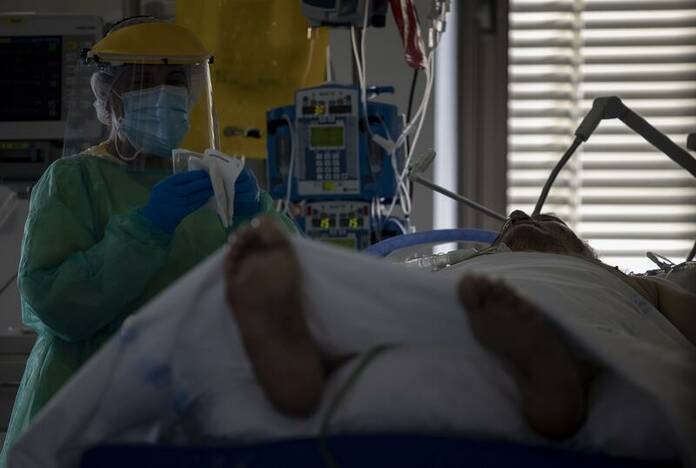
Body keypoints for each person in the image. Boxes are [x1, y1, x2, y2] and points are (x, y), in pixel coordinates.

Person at [0, 17, 295, 465]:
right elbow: (56, 304)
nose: (162, 94)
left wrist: (258, 218)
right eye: (142, 81)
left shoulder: (211, 180)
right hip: (92, 412)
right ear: (108, 97)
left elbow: (292, 285)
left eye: (174, 79)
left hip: (196, 410)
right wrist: (145, 229)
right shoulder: (73, 182)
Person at [223, 210, 696, 440]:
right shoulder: (465, 263)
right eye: (508, 225)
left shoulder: (618, 280)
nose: (518, 216)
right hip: (454, 301)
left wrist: (640, 287)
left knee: (570, 314)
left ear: (594, 255)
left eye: (546, 219)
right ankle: (303, 359)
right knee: (385, 310)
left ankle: (553, 379)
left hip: (564, 294)